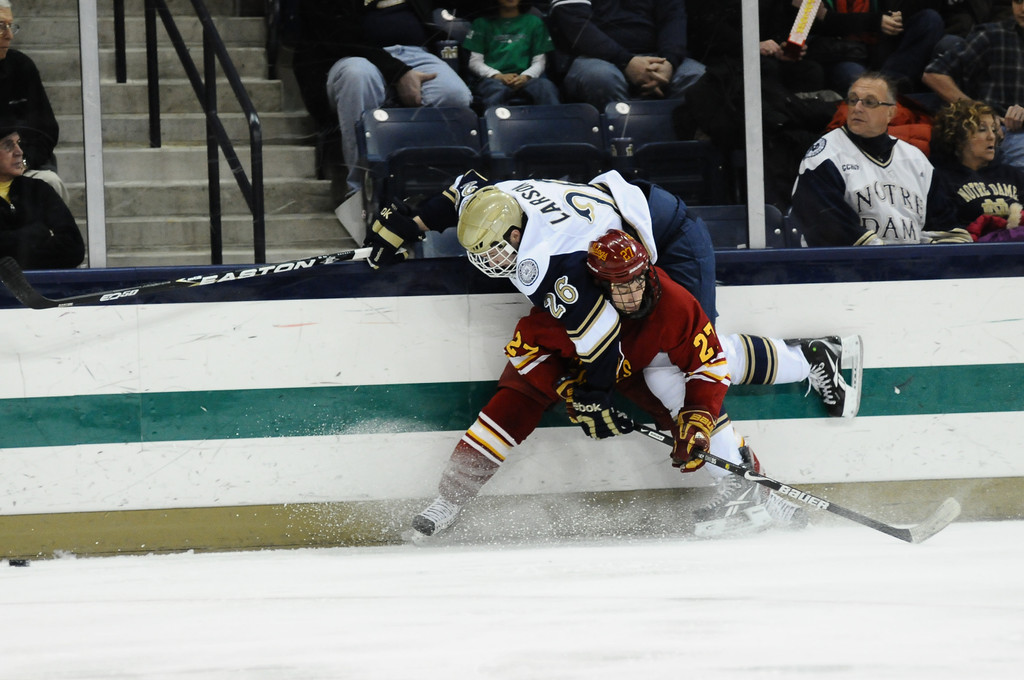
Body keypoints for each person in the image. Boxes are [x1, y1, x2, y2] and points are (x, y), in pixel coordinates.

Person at [411, 230, 807, 539]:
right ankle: (447, 501)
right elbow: (523, 351)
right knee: (504, 416)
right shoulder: (571, 305)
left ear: (648, 271)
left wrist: (698, 421)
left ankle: (762, 493)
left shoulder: (675, 303)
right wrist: (568, 390)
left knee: (687, 422)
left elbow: (708, 365)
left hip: (626, 368)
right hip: (566, 367)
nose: (631, 296)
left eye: (635, 282)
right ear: (599, 287)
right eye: (618, 288)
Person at [293, 0, 473, 197]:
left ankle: (434, 184)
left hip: (415, 53)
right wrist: (398, 73)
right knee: (358, 76)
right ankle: (363, 189)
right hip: (351, 56)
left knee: (454, 94)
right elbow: (337, 37)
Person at [789, 72, 971, 246]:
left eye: (870, 102)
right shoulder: (825, 156)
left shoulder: (915, 160)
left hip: (909, 271)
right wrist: (894, 261)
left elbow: (946, 228)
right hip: (844, 271)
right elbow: (830, 228)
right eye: (853, 100)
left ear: (891, 113)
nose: (857, 108)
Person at [545, 0, 705, 110]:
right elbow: (577, 26)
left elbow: (673, 19)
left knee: (698, 76)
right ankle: (617, 151)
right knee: (601, 78)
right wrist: (626, 61)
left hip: (657, 57)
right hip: (595, 59)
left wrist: (669, 62)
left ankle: (676, 151)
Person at [922, 0, 1024, 170]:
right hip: (998, 129)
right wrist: (978, 112)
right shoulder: (993, 35)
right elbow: (933, 74)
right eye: (1018, 1)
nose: (1022, 9)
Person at [0, 1, 67, 204]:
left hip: (21, 169)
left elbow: (45, 132)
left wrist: (21, 162)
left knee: (49, 182)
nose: (9, 35)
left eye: (11, 26)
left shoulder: (21, 66)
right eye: (1, 26)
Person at [803, 0, 945, 94]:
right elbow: (814, 24)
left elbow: (899, 13)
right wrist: (874, 21)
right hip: (840, 54)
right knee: (857, 81)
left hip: (880, 48)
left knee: (930, 19)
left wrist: (893, 17)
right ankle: (884, 93)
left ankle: (889, 87)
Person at [931, 99, 1024, 240]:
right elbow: (946, 229)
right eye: (982, 129)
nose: (992, 136)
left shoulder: (1013, 175)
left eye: (993, 129)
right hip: (971, 254)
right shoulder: (941, 179)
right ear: (958, 137)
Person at [0, 121, 84, 269]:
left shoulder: (39, 189)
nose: (19, 152)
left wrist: (11, 244)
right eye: (8, 146)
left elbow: (74, 249)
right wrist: (37, 233)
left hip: (47, 286)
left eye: (18, 143)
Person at [462, 0, 561, 108]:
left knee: (546, 87)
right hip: (492, 79)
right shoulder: (481, 23)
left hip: (528, 78)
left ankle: (554, 124)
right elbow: (475, 62)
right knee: (495, 90)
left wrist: (525, 76)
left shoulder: (535, 22)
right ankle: (496, 125)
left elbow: (540, 61)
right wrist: (497, 75)